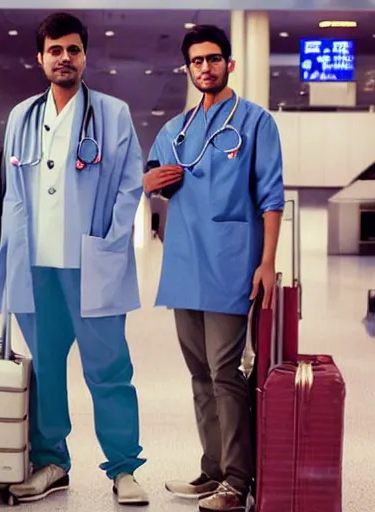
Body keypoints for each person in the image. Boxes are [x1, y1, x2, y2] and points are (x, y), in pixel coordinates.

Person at [0, 12, 148, 506]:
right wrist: (12, 256)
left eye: (73, 50)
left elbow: (129, 185)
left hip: (90, 262)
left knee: (108, 367)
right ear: (40, 58)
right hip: (36, 265)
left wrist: (112, 245)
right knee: (46, 368)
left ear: (84, 56)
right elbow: (12, 194)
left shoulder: (112, 114)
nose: (64, 58)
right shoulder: (21, 117)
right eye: (55, 50)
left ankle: (123, 469)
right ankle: (52, 462)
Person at [143, 25, 285, 512]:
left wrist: (266, 263)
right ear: (188, 69)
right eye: (196, 62)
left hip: (230, 263)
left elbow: (270, 198)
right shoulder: (175, 129)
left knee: (226, 371)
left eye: (213, 59)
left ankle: (238, 479)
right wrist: (148, 181)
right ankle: (213, 469)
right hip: (184, 264)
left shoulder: (255, 123)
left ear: (229, 64)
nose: (205, 68)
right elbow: (149, 179)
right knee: (199, 373)